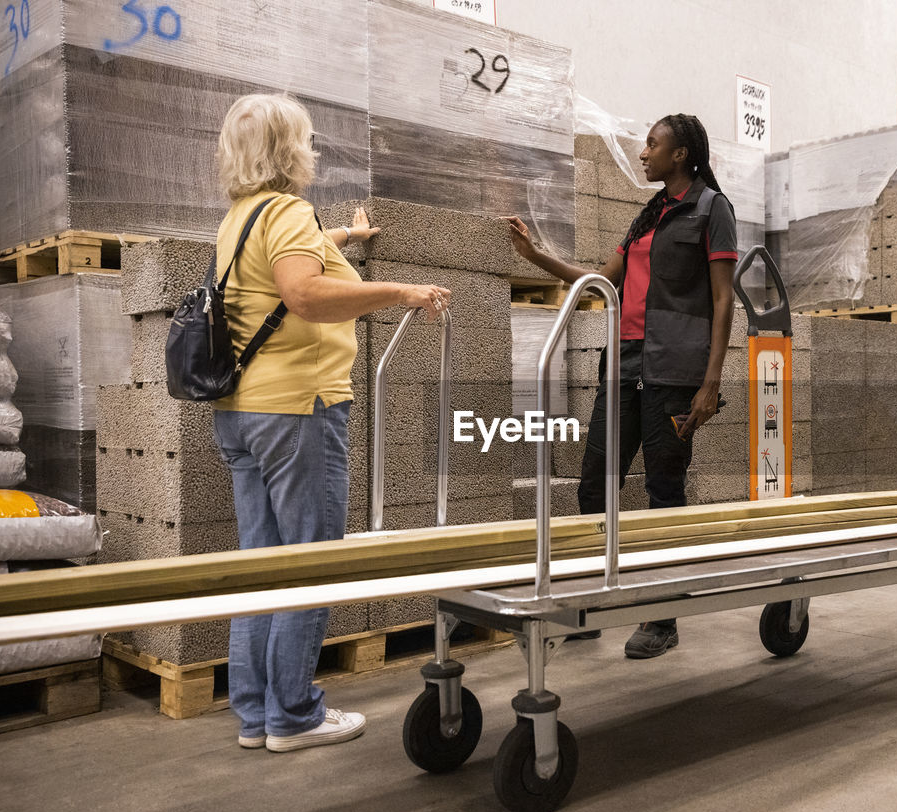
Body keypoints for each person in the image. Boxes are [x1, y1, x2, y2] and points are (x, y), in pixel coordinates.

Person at [212, 93, 451, 752]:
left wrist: (343, 238)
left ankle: (258, 714)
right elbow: (304, 293)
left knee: (262, 563)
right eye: (309, 142)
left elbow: (288, 263)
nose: (313, 153)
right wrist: (400, 291)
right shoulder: (287, 211)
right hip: (299, 410)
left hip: (244, 413)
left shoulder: (242, 216)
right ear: (289, 149)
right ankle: (295, 715)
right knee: (311, 564)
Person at [506, 113, 737, 659]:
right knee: (594, 484)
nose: (643, 153)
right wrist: (537, 256)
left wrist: (710, 384)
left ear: (681, 154)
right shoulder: (650, 213)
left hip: (675, 372)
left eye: (653, 145)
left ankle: (662, 617)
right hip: (625, 364)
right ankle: (589, 607)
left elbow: (724, 299)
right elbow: (601, 280)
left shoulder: (711, 209)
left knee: (663, 491)